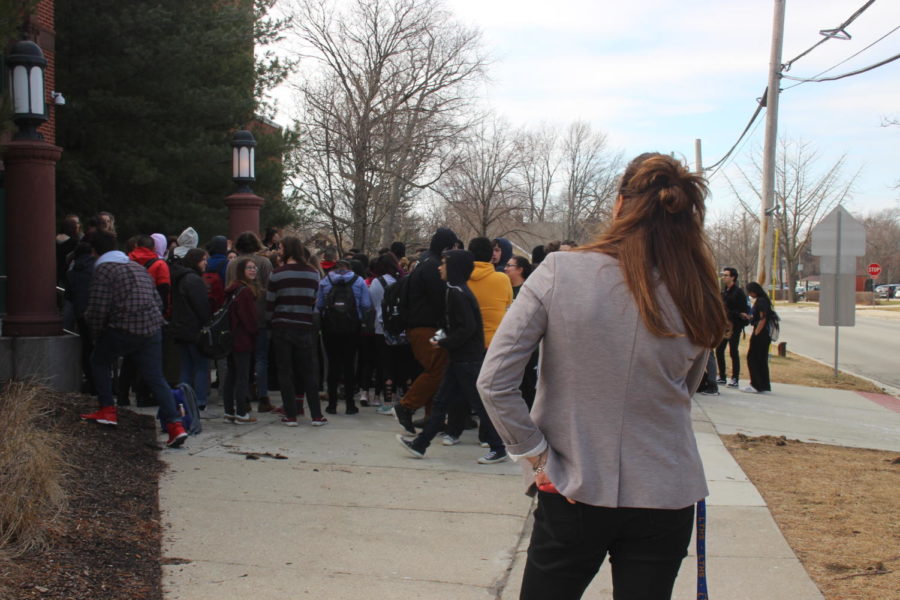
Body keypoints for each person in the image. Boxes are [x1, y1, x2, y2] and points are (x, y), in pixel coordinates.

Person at [477, 153, 726, 600]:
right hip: (665, 491)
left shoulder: (560, 271)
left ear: (619, 204)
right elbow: (684, 392)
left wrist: (537, 460)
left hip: (573, 483)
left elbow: (494, 381)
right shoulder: (698, 289)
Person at [397, 250, 508, 464]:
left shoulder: (457, 292)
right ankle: (421, 444)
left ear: (454, 267)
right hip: (460, 358)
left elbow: (467, 328)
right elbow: (454, 326)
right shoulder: (454, 290)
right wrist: (443, 338)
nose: (439, 267)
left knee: (477, 403)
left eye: (444, 264)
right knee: (441, 402)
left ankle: (498, 447)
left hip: (467, 359)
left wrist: (443, 342)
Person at [80, 231, 188, 448]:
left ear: (94, 251)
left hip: (123, 326)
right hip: (151, 327)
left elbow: (98, 307)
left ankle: (107, 409)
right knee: (156, 377)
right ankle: (176, 426)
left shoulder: (104, 269)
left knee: (98, 360)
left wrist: (96, 334)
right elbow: (157, 300)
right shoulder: (137, 268)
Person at [391, 228, 458, 435]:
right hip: (426, 327)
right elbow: (440, 301)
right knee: (437, 370)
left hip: (421, 326)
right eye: (453, 247)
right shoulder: (434, 267)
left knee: (434, 370)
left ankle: (432, 419)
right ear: (446, 247)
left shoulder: (424, 262)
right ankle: (406, 406)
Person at [266, 237, 327, 426]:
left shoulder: (276, 274)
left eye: (281, 248)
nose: (279, 251)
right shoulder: (313, 273)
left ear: (288, 250)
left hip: (282, 325)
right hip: (304, 325)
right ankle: (316, 415)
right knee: (308, 371)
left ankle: (290, 414)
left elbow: (270, 303)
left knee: (285, 372)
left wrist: (270, 322)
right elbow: (314, 300)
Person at [226, 231, 275, 413]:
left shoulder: (231, 264)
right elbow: (271, 289)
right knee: (261, 358)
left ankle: (243, 397)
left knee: (240, 360)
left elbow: (227, 287)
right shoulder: (264, 263)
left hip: (237, 318)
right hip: (260, 314)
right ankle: (263, 396)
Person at [316, 259, 372, 414]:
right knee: (349, 364)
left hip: (330, 328)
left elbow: (319, 305)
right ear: (350, 268)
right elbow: (367, 305)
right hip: (352, 328)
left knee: (333, 364)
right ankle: (349, 404)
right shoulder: (359, 281)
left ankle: (332, 404)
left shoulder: (325, 281)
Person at [169, 248, 212, 412]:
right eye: (203, 260)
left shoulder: (180, 278)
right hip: (194, 330)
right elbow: (201, 307)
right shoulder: (193, 280)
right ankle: (199, 401)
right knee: (200, 366)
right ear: (195, 261)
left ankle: (183, 401)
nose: (206, 263)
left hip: (181, 328)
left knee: (186, 368)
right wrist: (207, 323)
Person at [223, 257, 261, 423]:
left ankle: (229, 411)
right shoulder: (245, 291)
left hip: (231, 338)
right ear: (241, 272)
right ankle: (241, 412)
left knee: (231, 375)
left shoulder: (232, 289)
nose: (253, 270)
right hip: (242, 338)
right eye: (249, 268)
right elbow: (249, 319)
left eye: (254, 268)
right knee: (242, 376)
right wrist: (255, 330)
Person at [715, 267, 749, 388]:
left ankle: (735, 378)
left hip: (734, 325)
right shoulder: (724, 291)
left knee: (733, 351)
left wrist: (735, 314)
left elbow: (743, 311)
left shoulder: (738, 292)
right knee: (719, 350)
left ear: (733, 277)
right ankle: (722, 376)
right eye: (723, 275)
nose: (723, 277)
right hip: (724, 325)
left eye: (726, 275)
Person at [742, 282, 773, 394]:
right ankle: (763, 385)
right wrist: (749, 317)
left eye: (750, 292)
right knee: (761, 359)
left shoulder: (761, 301)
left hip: (761, 334)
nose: (750, 294)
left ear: (754, 291)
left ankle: (755, 384)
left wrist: (756, 333)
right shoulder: (763, 300)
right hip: (764, 334)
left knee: (753, 358)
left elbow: (763, 319)